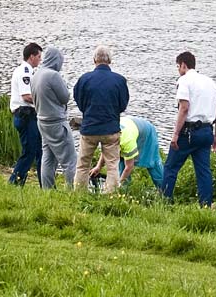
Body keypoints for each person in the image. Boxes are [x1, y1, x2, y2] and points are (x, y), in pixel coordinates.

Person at [160, 51, 216, 207]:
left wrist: (175, 134)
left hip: (188, 133)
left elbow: (184, 108)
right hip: (207, 131)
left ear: (183, 65)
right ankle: (205, 205)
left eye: (178, 67)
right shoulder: (210, 82)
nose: (178, 70)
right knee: (203, 171)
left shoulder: (184, 80)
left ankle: (163, 202)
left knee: (170, 168)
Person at [73, 46, 129, 193]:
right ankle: (109, 196)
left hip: (89, 128)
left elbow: (79, 101)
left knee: (83, 164)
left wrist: (88, 111)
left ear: (94, 60)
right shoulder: (120, 80)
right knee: (112, 165)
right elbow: (123, 105)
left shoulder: (84, 79)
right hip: (111, 129)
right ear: (110, 60)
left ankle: (79, 194)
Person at [30, 46, 76, 190]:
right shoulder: (53, 75)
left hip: (42, 121)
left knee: (48, 158)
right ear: (56, 60)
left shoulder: (36, 75)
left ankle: (47, 190)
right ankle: (73, 191)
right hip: (56, 122)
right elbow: (65, 97)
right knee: (70, 160)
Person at [90, 115, 163, 189]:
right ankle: (124, 191)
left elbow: (129, 166)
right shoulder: (107, 134)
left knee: (152, 162)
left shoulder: (127, 142)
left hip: (146, 132)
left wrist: (118, 184)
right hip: (130, 125)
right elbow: (107, 151)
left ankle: (164, 191)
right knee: (121, 163)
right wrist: (98, 167)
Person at [8, 42, 43, 186]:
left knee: (39, 150)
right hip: (25, 114)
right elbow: (26, 96)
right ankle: (15, 181)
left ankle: (45, 182)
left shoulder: (25, 70)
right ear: (31, 56)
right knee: (29, 151)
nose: (40, 60)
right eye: (39, 57)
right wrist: (42, 104)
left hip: (27, 115)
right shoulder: (25, 72)